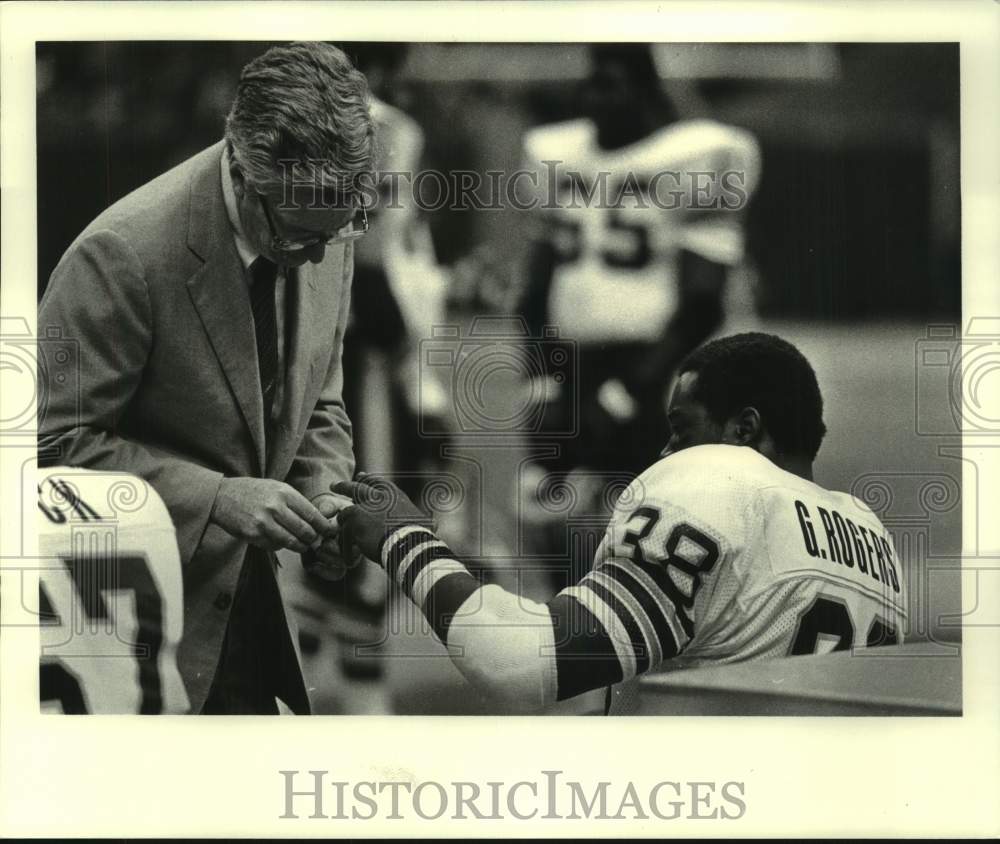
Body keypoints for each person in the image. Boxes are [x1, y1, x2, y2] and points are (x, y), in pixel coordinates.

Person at [37, 42, 375, 714]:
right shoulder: (123, 255)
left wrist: (327, 499)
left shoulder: (323, 220)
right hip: (135, 628)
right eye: (301, 233)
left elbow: (318, 399)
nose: (318, 253)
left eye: (339, 229)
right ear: (244, 175)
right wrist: (216, 498)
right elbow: (51, 446)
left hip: (249, 609)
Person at [334, 333, 907, 713]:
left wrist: (404, 539)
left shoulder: (716, 483)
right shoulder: (870, 537)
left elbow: (519, 660)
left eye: (682, 428)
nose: (665, 453)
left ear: (744, 430)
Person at [516, 45, 762, 580]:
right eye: (592, 83)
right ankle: (579, 642)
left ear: (646, 93)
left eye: (611, 84)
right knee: (550, 515)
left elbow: (702, 301)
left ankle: (643, 644)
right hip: (570, 359)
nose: (594, 98)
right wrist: (537, 376)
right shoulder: (558, 154)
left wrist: (632, 389)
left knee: (650, 523)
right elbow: (536, 284)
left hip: (650, 367)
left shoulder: (696, 156)